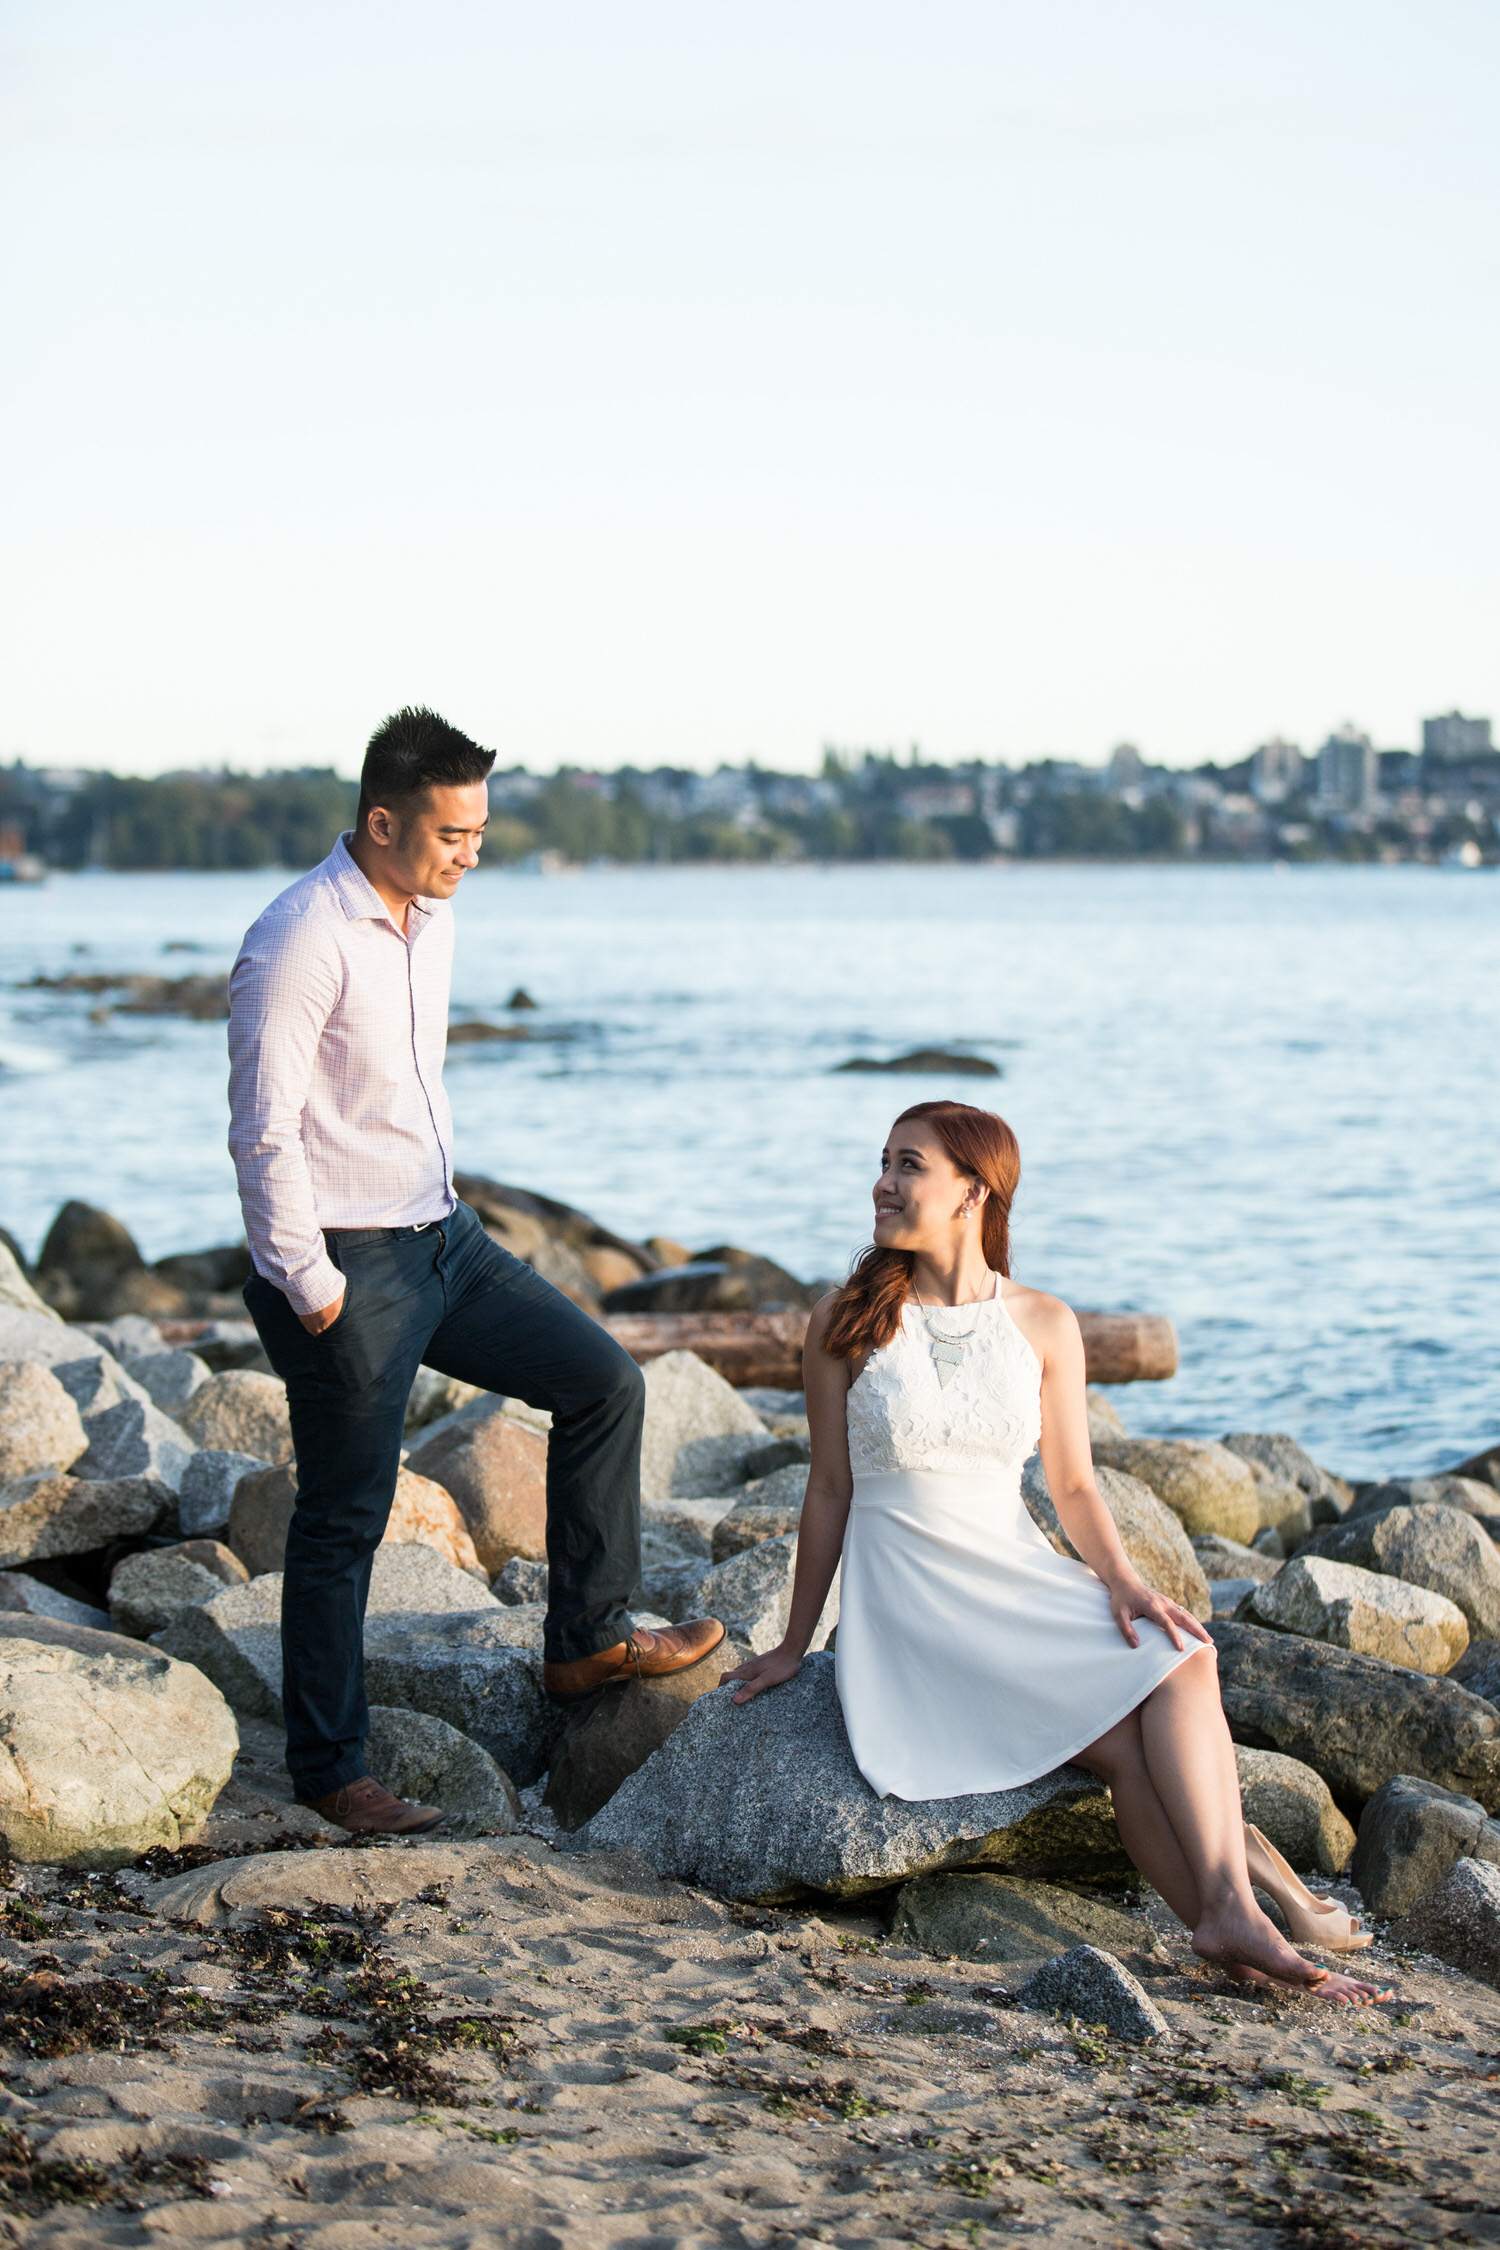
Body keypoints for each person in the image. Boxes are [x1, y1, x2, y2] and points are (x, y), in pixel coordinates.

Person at [726, 1099, 1388, 2003]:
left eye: (908, 1164)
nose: (883, 1182)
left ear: (974, 1191)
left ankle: (1230, 1918)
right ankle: (1252, 1912)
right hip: (918, 1609)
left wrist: (1123, 1582)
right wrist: (796, 1646)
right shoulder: (846, 1319)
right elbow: (829, 1489)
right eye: (884, 1161)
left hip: (1018, 1575)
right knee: (1140, 1722)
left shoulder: (1043, 1321)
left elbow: (1073, 1485)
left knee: (1175, 1663)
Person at [227, 706, 723, 1835]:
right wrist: (311, 1286)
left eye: (481, 830)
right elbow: (261, 1132)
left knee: (605, 1380)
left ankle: (588, 1639)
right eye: (454, 833)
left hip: (444, 1236)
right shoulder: (300, 935)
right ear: (383, 820)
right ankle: (330, 1769)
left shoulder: (428, 918)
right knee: (344, 1519)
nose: (472, 853)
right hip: (349, 1264)